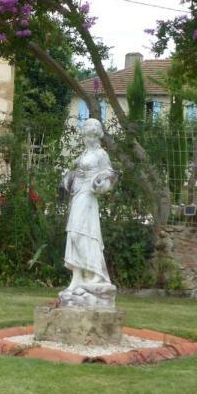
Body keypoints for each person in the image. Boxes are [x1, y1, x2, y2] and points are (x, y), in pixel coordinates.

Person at [59, 118, 118, 308]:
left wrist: (100, 182)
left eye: (88, 135)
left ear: (95, 136)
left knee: (82, 233)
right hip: (78, 193)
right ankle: (77, 277)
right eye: (85, 135)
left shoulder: (101, 154)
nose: (85, 138)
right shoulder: (85, 152)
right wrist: (68, 177)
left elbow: (110, 175)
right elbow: (77, 172)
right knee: (73, 234)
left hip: (88, 195)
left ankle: (95, 274)